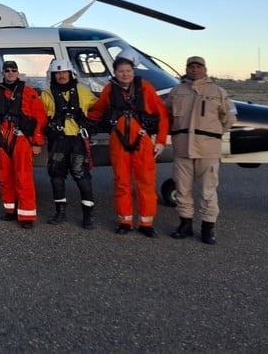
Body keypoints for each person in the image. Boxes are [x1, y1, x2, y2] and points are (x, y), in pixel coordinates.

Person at [88, 52, 170, 237]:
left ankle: (146, 223)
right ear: (115, 73)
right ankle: (124, 220)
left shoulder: (145, 88)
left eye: (128, 71)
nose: (125, 74)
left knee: (146, 183)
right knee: (122, 183)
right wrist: (81, 118)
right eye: (121, 71)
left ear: (133, 71)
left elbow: (162, 115)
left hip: (143, 141)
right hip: (119, 142)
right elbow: (98, 110)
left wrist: (161, 141)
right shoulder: (110, 90)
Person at [167, 56, 236, 244]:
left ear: (205, 69)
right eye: (191, 66)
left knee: (208, 191)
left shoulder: (218, 92)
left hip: (208, 151)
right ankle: (185, 224)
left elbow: (229, 118)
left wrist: (213, 134)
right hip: (183, 149)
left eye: (198, 66)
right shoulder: (177, 91)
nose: (195, 69)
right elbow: (166, 115)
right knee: (182, 189)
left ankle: (208, 227)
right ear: (186, 68)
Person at [40, 59, 99, 229]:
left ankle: (88, 216)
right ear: (53, 75)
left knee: (82, 178)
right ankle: (60, 212)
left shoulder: (83, 91)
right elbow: (39, 116)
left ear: (70, 73)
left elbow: (98, 109)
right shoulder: (47, 95)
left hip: (78, 141)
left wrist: (91, 125)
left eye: (64, 72)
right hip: (58, 141)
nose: (61, 76)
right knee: (56, 177)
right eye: (57, 73)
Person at [0, 61, 48, 229]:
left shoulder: (29, 92)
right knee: (4, 177)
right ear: (3, 73)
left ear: (18, 72)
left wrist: (37, 142)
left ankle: (26, 215)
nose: (10, 73)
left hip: (21, 138)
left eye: (13, 70)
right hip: (2, 137)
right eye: (7, 70)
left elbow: (40, 118)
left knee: (24, 177)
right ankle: (10, 210)